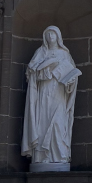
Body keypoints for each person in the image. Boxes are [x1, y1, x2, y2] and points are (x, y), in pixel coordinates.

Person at [21, 25, 81, 171]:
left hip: (59, 92)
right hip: (44, 92)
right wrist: (42, 69)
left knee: (59, 123)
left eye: (53, 34)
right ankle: (42, 156)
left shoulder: (64, 54)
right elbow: (31, 73)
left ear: (58, 36)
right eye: (47, 34)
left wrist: (71, 81)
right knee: (42, 122)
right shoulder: (41, 52)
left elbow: (72, 73)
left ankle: (59, 156)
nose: (50, 37)